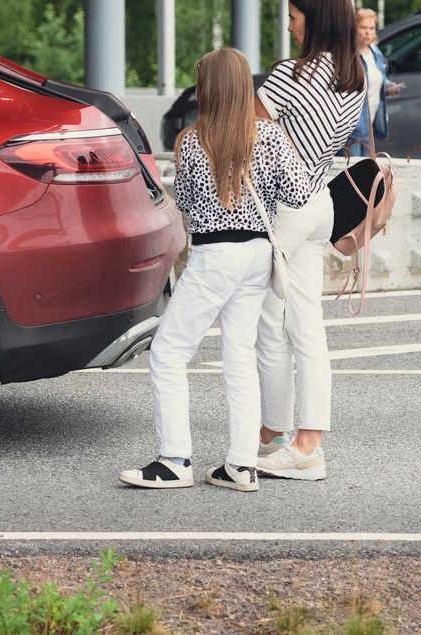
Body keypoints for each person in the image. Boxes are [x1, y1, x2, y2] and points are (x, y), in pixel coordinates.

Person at [120, 48, 312, 491]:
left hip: (215, 256)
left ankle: (174, 459)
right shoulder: (271, 137)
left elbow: (184, 204)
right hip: (257, 256)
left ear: (206, 89)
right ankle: (240, 465)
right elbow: (299, 195)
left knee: (168, 352)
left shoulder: (192, 140)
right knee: (239, 357)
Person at [253, 0, 365, 483]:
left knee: (267, 325)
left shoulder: (291, 75)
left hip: (284, 210)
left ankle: (280, 437)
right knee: (305, 325)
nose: (290, 26)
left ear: (312, 18)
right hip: (320, 202)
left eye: (294, 17)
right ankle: (304, 441)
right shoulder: (355, 74)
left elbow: (246, 131)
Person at [347, 7, 402, 156]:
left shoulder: (375, 51)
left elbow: (379, 78)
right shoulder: (349, 54)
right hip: (352, 125)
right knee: (351, 169)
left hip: (369, 122)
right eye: (363, 27)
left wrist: (389, 86)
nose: (368, 32)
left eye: (371, 28)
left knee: (366, 168)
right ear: (354, 28)